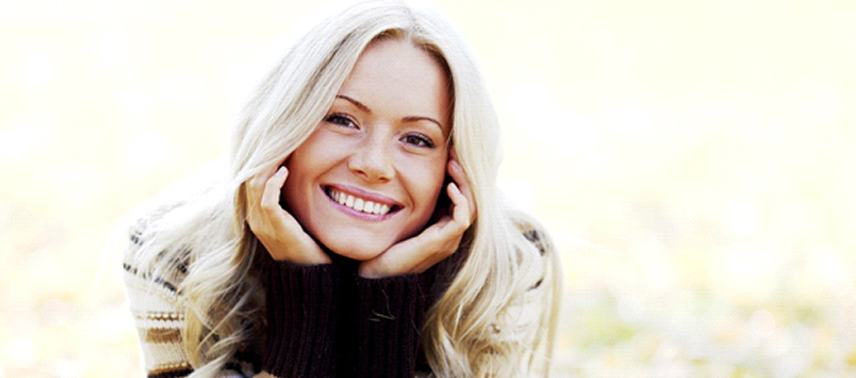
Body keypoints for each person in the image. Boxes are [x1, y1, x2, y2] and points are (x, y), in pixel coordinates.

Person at [122, 1, 561, 377]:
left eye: (417, 139)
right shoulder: (172, 250)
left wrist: (384, 295)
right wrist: (306, 297)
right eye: (341, 119)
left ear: (456, 166)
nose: (372, 165)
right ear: (283, 123)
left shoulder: (508, 264)